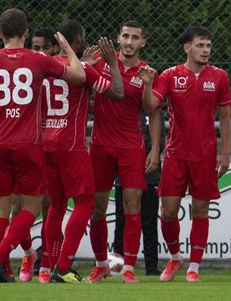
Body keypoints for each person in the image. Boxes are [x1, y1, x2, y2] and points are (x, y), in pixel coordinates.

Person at [0, 8, 86, 283]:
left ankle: (5, 270)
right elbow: (78, 76)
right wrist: (68, 50)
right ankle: (0, 257)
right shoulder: (38, 59)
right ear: (25, 32)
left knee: (0, 210)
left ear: (0, 33)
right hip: (29, 143)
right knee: (31, 208)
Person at [141, 26, 231, 282]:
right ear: (187, 48)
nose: (205, 50)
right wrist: (147, 86)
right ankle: (175, 258)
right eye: (200, 45)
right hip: (175, 154)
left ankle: (194, 267)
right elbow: (151, 107)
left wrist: (226, 153)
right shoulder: (170, 75)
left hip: (205, 156)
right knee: (168, 213)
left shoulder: (220, 77)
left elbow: (225, 117)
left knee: (201, 211)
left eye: (208, 46)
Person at [41, 19, 124, 284]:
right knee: (85, 204)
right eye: (83, 38)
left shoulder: (45, 67)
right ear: (76, 41)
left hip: (47, 142)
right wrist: (111, 63)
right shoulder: (84, 70)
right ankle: (63, 267)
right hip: (71, 144)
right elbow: (117, 93)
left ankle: (51, 265)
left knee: (55, 206)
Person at [86, 20, 161, 284]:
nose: (130, 42)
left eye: (135, 38)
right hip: (101, 145)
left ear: (143, 42)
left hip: (132, 146)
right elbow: (85, 96)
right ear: (118, 38)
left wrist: (155, 151)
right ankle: (100, 265)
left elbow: (153, 111)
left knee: (132, 205)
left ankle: (128, 266)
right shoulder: (100, 62)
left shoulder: (147, 73)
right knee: (97, 209)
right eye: (126, 36)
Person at [10, 27, 59, 284]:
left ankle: (46, 262)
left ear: (54, 49)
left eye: (44, 48)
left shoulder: (61, 72)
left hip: (52, 149)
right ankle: (28, 254)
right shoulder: (25, 73)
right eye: (35, 47)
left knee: (50, 208)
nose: (40, 52)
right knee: (17, 208)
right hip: (27, 146)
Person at [113, 110, 166, 276]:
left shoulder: (154, 112)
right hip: (125, 174)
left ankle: (151, 267)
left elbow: (160, 144)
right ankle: (118, 264)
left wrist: (144, 152)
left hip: (150, 174)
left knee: (149, 224)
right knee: (121, 222)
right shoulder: (125, 110)